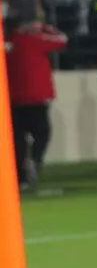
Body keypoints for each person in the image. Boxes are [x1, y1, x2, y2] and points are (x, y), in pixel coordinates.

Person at [5, 17, 66, 191]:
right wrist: (44, 27)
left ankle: (21, 178)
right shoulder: (34, 40)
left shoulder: (8, 45)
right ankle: (34, 161)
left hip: (14, 100)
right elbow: (62, 40)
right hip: (36, 99)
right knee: (42, 133)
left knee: (18, 141)